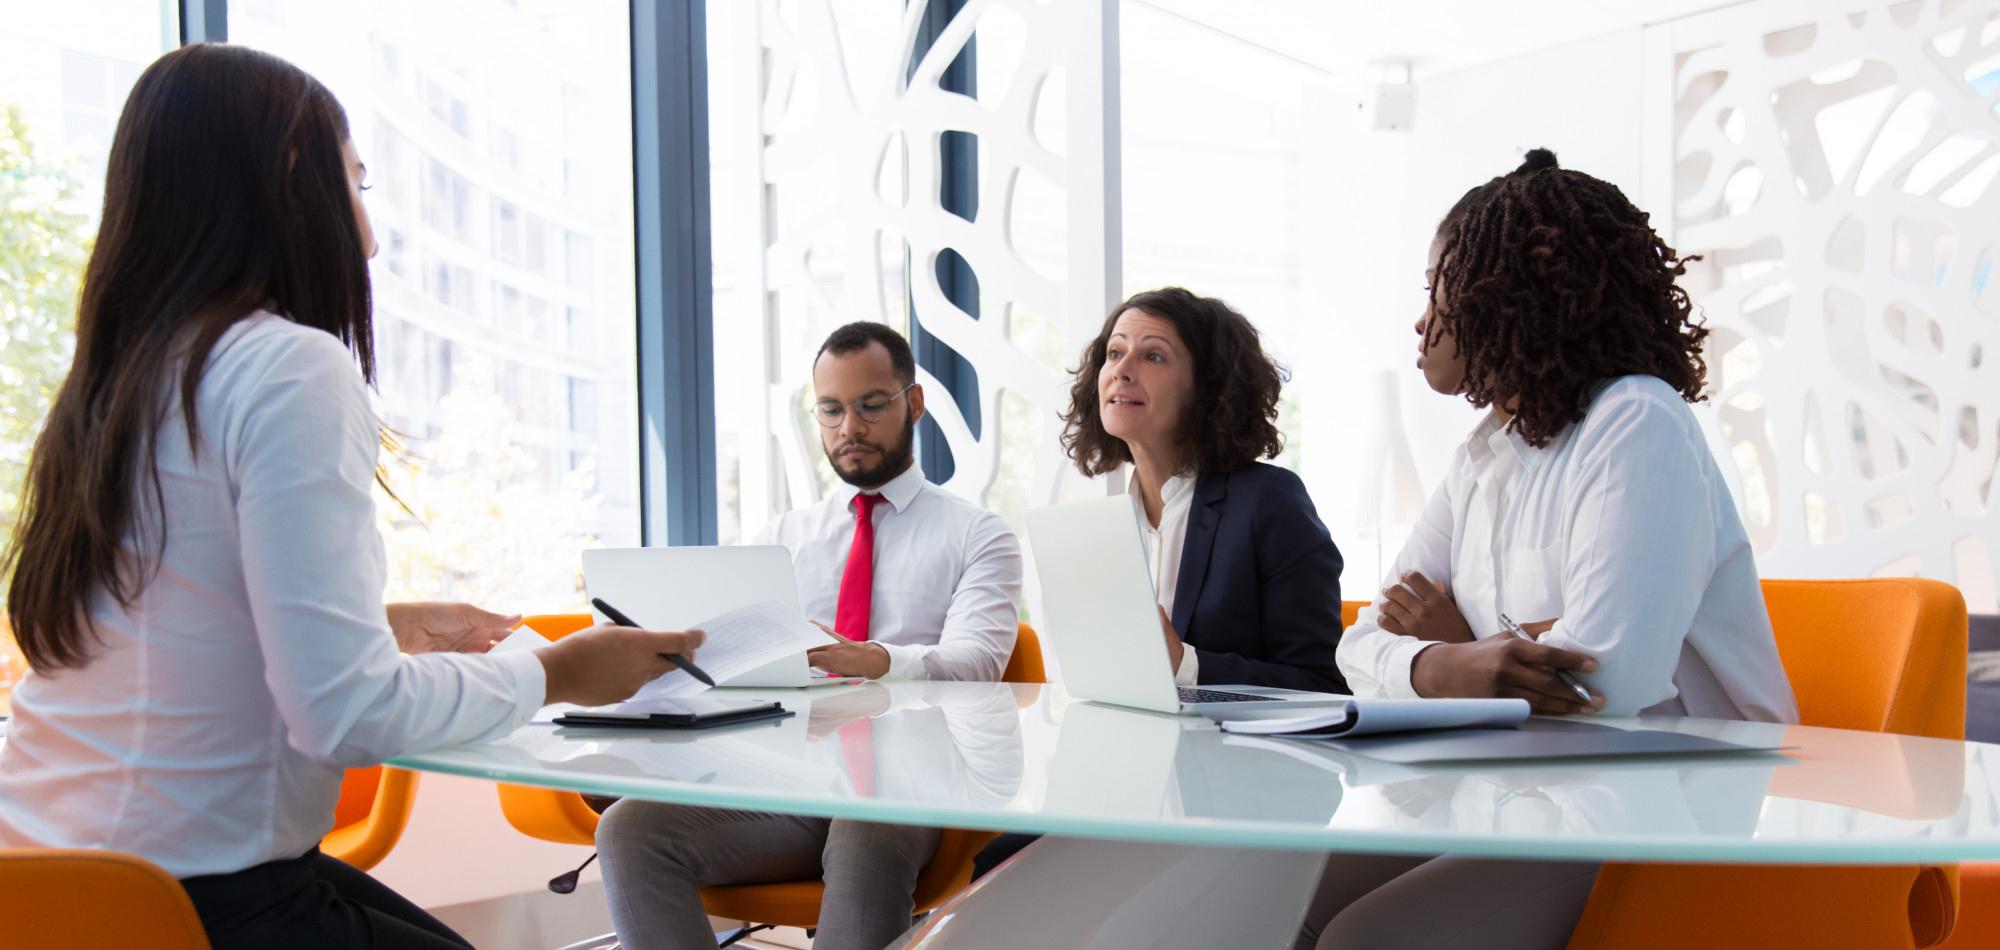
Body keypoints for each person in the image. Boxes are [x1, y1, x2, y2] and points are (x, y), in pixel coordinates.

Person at [0, 45, 701, 950]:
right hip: (190, 896)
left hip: (48, 883)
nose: (369, 233)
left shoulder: (121, 378)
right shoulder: (286, 365)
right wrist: (558, 672)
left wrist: (390, 623)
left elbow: (170, 622)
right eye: (358, 185)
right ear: (295, 180)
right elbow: (346, 716)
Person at [1303, 148, 1798, 949]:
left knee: (1365, 939)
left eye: (1440, 287)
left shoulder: (1637, 422)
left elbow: (1606, 682)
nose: (1423, 318)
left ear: (1509, 292)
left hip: (1679, 801)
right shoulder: (1486, 451)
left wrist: (1463, 660)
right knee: (1279, 888)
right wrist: (1460, 664)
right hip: (1536, 787)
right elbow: (1359, 645)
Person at [594, 322, 1023, 950]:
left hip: (912, 786)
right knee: (630, 828)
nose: (849, 427)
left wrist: (876, 659)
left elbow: (979, 662)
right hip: (793, 784)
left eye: (871, 406)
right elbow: (733, 661)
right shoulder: (783, 537)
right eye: (831, 410)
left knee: (866, 824)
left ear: (915, 404)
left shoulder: (978, 534)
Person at [974, 285, 1346, 878]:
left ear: (1209, 387)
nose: (1120, 370)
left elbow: (1325, 691)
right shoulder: (1102, 523)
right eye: (1113, 353)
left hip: (1228, 812)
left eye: (1153, 355)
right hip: (1122, 791)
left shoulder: (1269, 503)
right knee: (993, 872)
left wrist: (1185, 665)